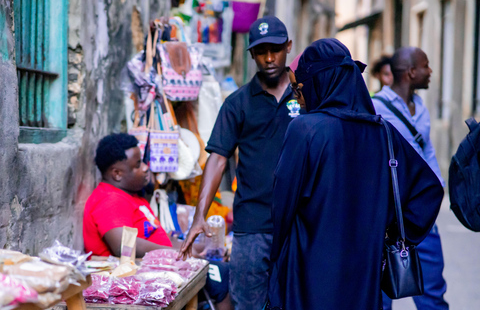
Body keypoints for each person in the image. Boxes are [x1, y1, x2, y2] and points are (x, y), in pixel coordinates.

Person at [267, 38, 444, 309]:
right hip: (364, 275)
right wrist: (390, 236)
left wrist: (276, 263)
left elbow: (282, 207)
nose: (296, 97)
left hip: (307, 274)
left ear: (320, 82)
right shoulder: (383, 133)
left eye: (298, 87)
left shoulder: (305, 130)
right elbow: (428, 190)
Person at [178, 16, 299, 309]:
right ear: (252, 55)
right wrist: (199, 217)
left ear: (289, 47)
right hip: (252, 226)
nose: (269, 58)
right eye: (261, 52)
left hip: (300, 223)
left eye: (276, 50)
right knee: (247, 305)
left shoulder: (306, 96)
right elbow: (217, 159)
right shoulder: (237, 103)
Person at [83, 133, 232, 309]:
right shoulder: (110, 200)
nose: (146, 168)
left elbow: (160, 238)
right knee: (224, 275)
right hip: (135, 280)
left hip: (162, 267)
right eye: (138, 165)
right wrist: (178, 254)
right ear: (117, 174)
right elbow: (123, 245)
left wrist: (199, 248)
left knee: (224, 266)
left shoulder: (133, 196)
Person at [372, 47, 449, 310]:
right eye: (426, 66)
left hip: (419, 214)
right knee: (379, 293)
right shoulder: (376, 107)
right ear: (411, 72)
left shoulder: (421, 108)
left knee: (433, 291)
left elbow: (427, 152)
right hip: (386, 218)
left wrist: (436, 190)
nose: (430, 72)